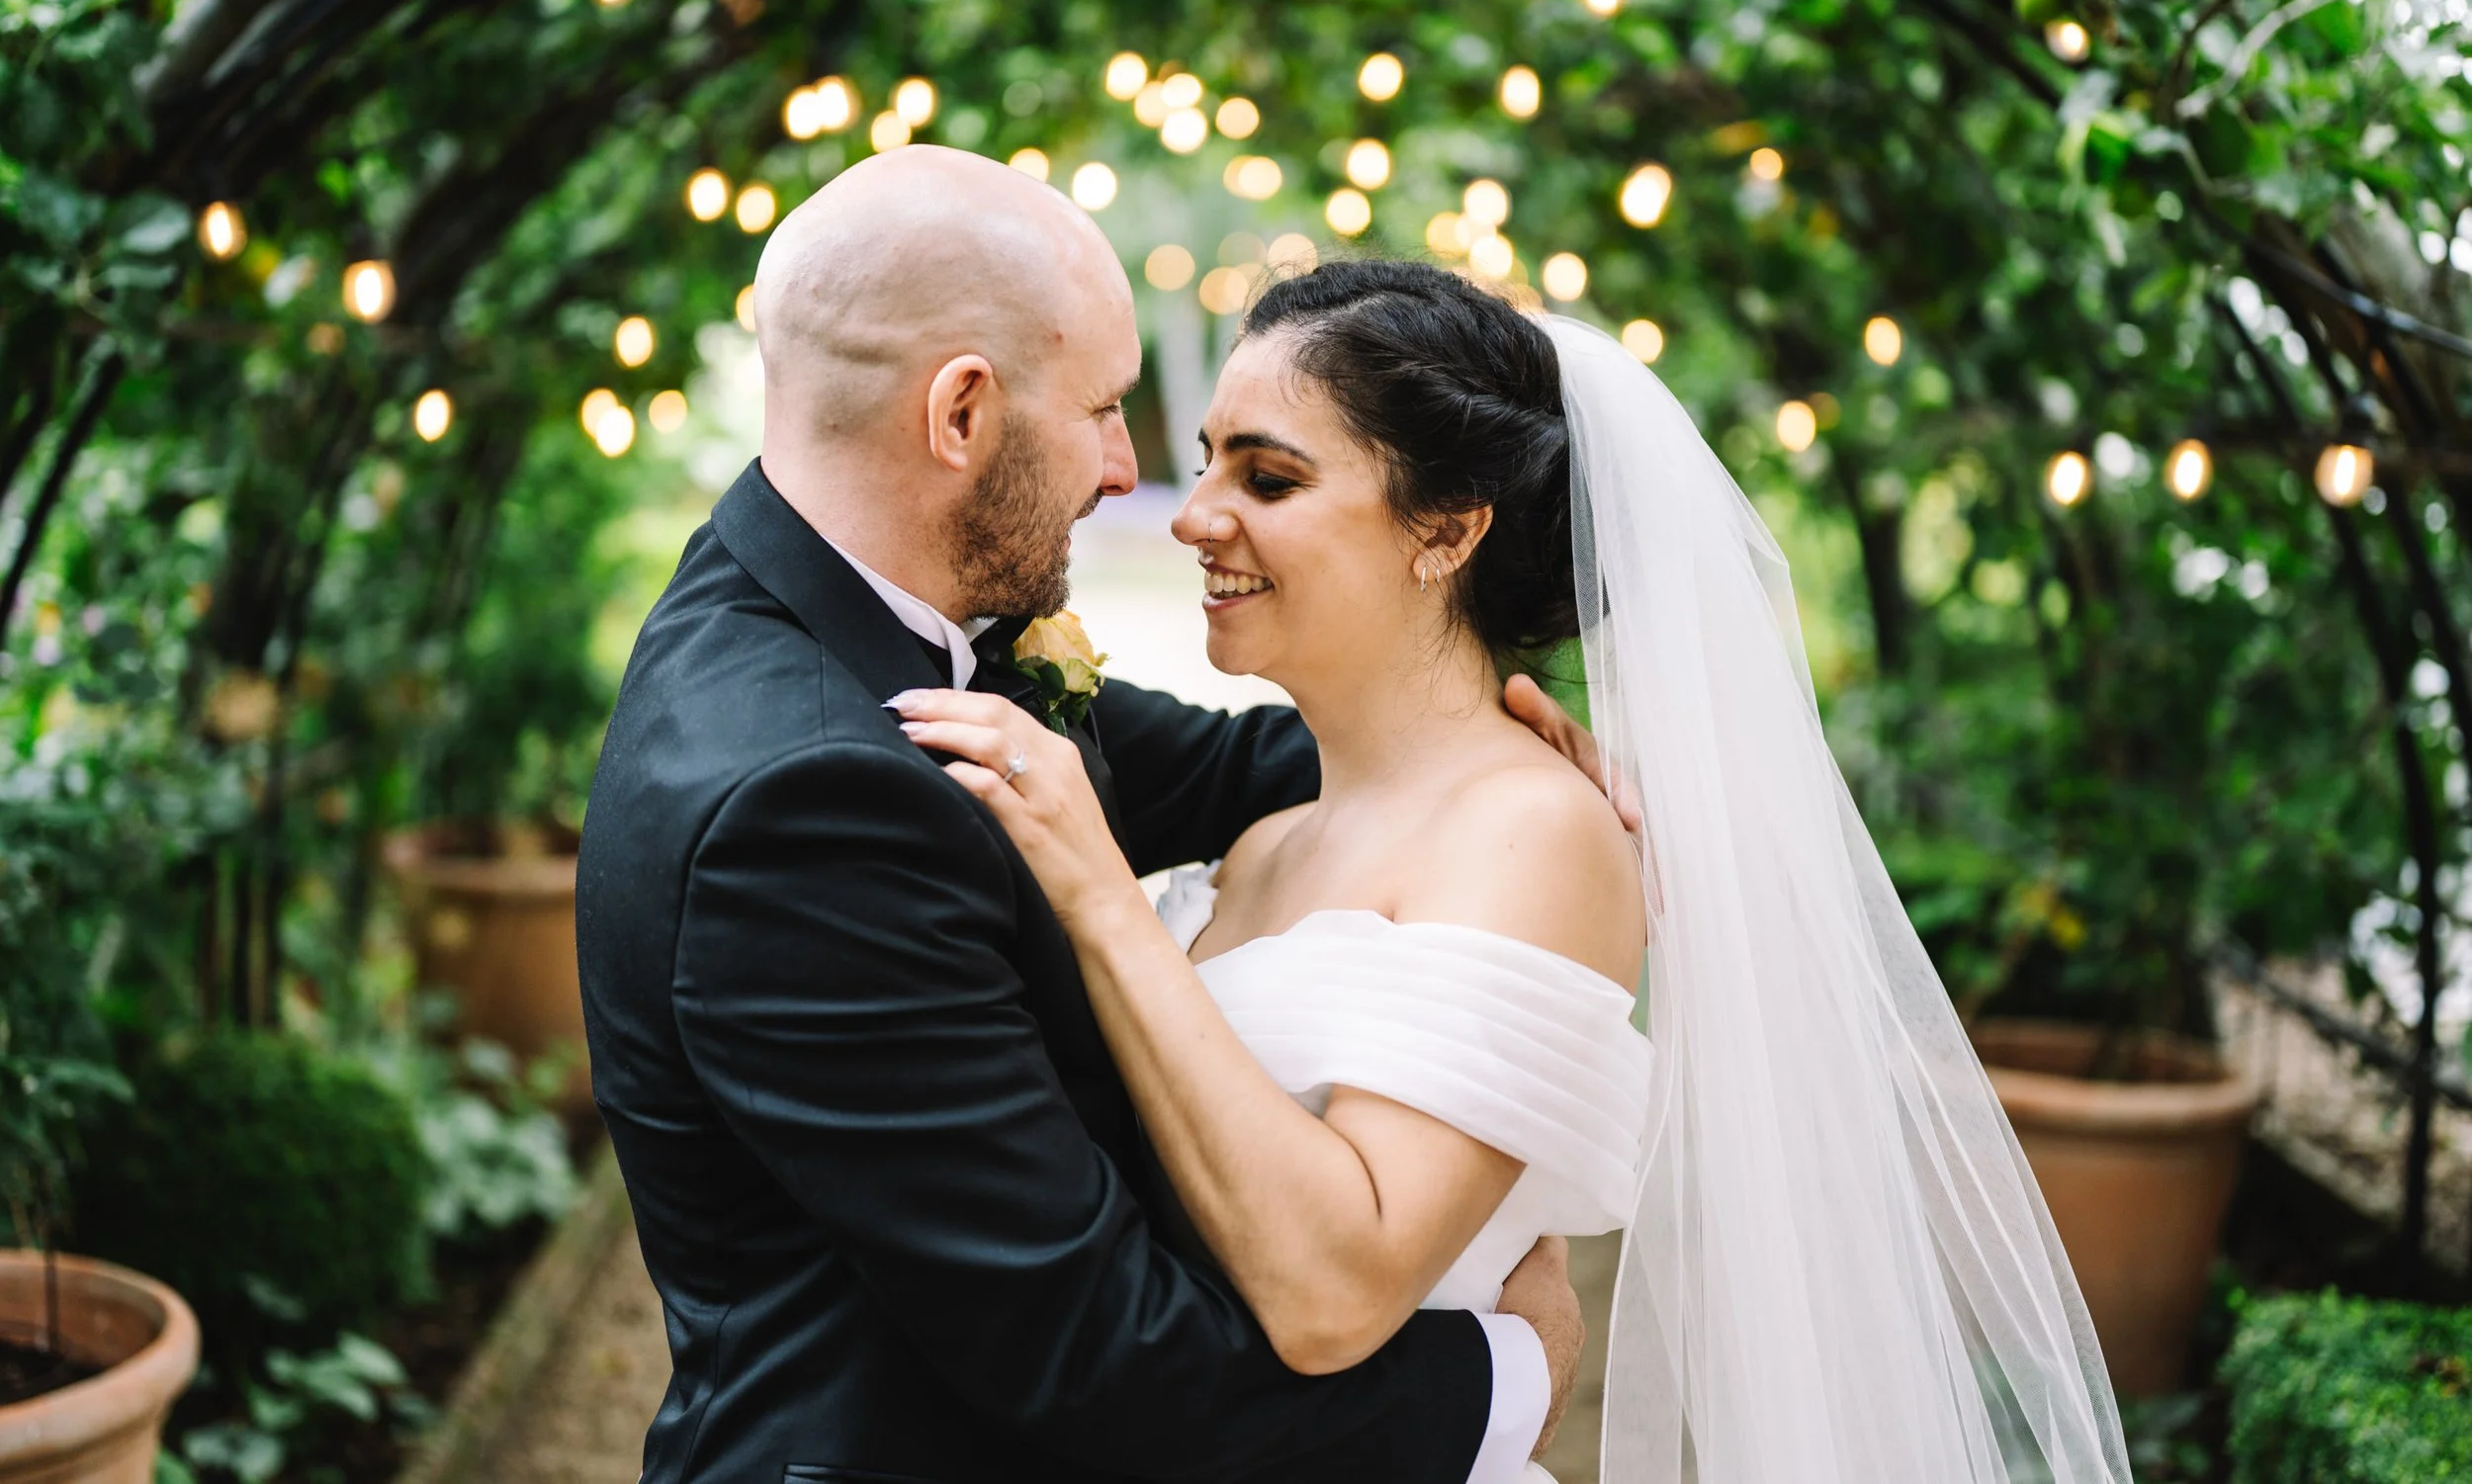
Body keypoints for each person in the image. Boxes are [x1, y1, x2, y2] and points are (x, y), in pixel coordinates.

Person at [900, 260, 2137, 1484]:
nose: (1192, 513)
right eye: (1209, 459)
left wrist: (1102, 900)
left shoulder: (1535, 834)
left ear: (1447, 529)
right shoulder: (1266, 838)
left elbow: (1334, 1291)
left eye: (1267, 477)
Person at [576, 150, 1600, 1484]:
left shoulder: (834, 618)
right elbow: (1093, 1346)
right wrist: (1503, 1382)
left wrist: (1506, 756)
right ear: (961, 412)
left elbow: (1241, 765)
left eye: (1264, 474)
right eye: (1106, 408)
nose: (1134, 478)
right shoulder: (812, 798)